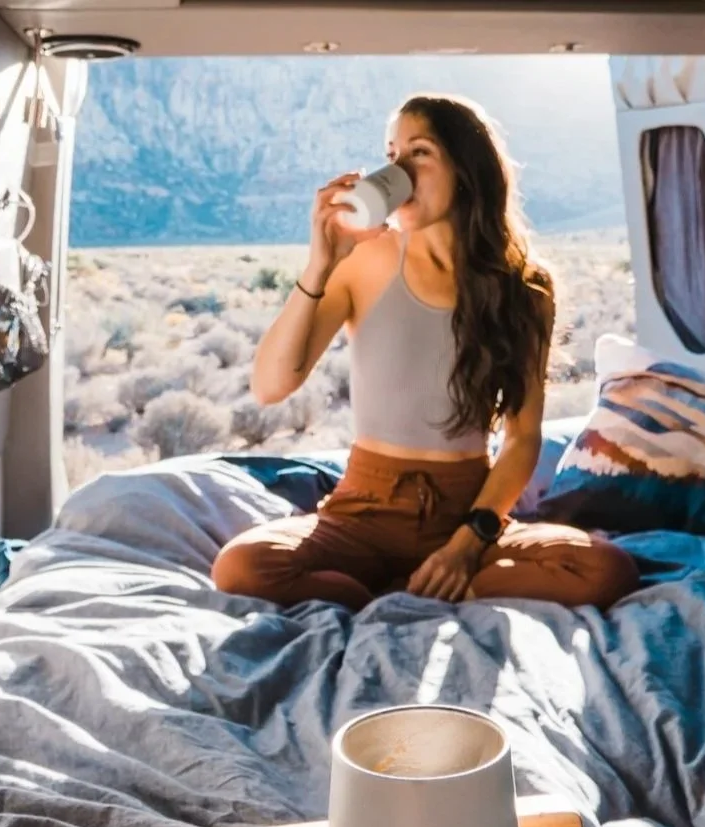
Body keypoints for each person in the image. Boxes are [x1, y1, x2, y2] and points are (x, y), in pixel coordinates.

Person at [211, 94, 639, 612]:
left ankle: (428, 586)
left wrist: (466, 546)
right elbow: (270, 386)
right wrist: (319, 266)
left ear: (466, 168)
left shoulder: (525, 288)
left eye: (418, 153)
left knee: (606, 569)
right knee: (241, 567)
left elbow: (523, 439)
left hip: (469, 514)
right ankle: (401, 594)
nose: (398, 172)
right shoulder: (362, 260)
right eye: (391, 156)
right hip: (361, 512)